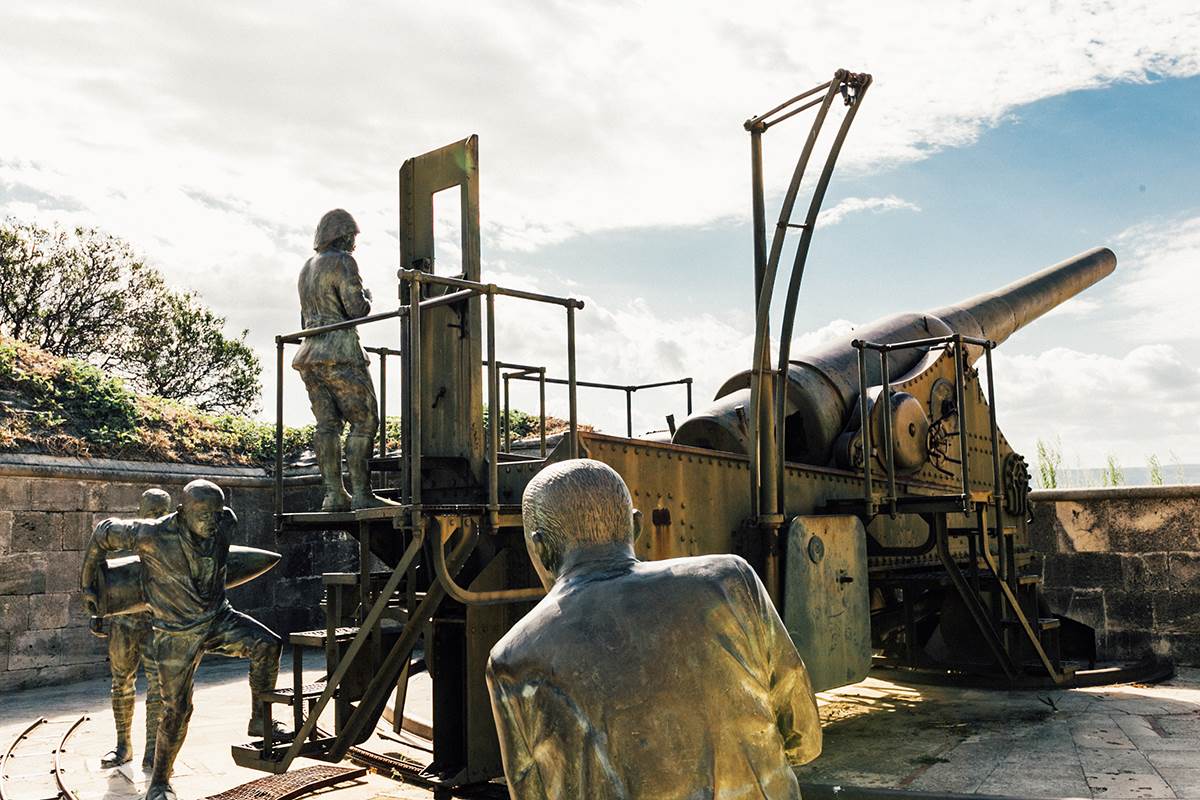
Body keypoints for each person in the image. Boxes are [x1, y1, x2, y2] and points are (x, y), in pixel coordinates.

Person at [487, 459, 821, 799]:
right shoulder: (731, 579)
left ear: (540, 547)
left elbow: (529, 791)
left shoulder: (511, 658)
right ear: (636, 526)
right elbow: (804, 739)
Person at [81, 480, 286, 800]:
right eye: (202, 514)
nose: (210, 521)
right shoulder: (151, 534)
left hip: (219, 620)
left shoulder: (225, 523)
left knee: (268, 645)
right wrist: (88, 585)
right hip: (175, 634)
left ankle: (261, 720)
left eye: (215, 514)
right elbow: (102, 533)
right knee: (177, 710)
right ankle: (160, 782)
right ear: (182, 512)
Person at [293, 208, 395, 511]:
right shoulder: (343, 262)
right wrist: (367, 295)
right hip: (340, 353)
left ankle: (333, 494)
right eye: (352, 236)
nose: (354, 243)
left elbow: (304, 317)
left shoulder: (306, 268)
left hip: (309, 353)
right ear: (343, 235)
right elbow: (356, 309)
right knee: (365, 421)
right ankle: (362, 493)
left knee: (327, 425)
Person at [90, 488, 171, 770]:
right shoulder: (126, 538)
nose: (155, 519)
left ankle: (153, 750)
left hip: (156, 623)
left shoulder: (173, 545)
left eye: (161, 513)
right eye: (150, 512)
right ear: (140, 511)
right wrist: (98, 610)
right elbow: (104, 577)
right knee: (121, 682)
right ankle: (123, 746)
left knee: (158, 688)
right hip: (124, 622)